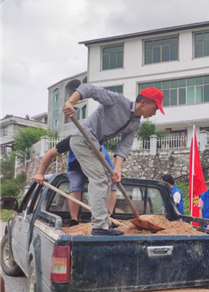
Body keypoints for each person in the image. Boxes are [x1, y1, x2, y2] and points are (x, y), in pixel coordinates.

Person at [62, 84, 164, 236]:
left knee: (108, 179)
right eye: (155, 108)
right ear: (143, 103)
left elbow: (124, 146)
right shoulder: (117, 101)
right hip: (82, 139)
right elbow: (89, 89)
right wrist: (71, 102)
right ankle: (99, 225)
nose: (155, 113)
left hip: (96, 144)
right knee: (99, 178)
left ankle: (104, 220)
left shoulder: (135, 124)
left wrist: (117, 169)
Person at [34, 136, 117, 226]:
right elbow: (50, 154)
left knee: (112, 184)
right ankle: (74, 219)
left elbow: (110, 169)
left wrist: (114, 174)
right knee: (75, 185)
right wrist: (40, 173)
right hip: (77, 168)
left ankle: (109, 217)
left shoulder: (97, 139)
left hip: (99, 166)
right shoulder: (71, 140)